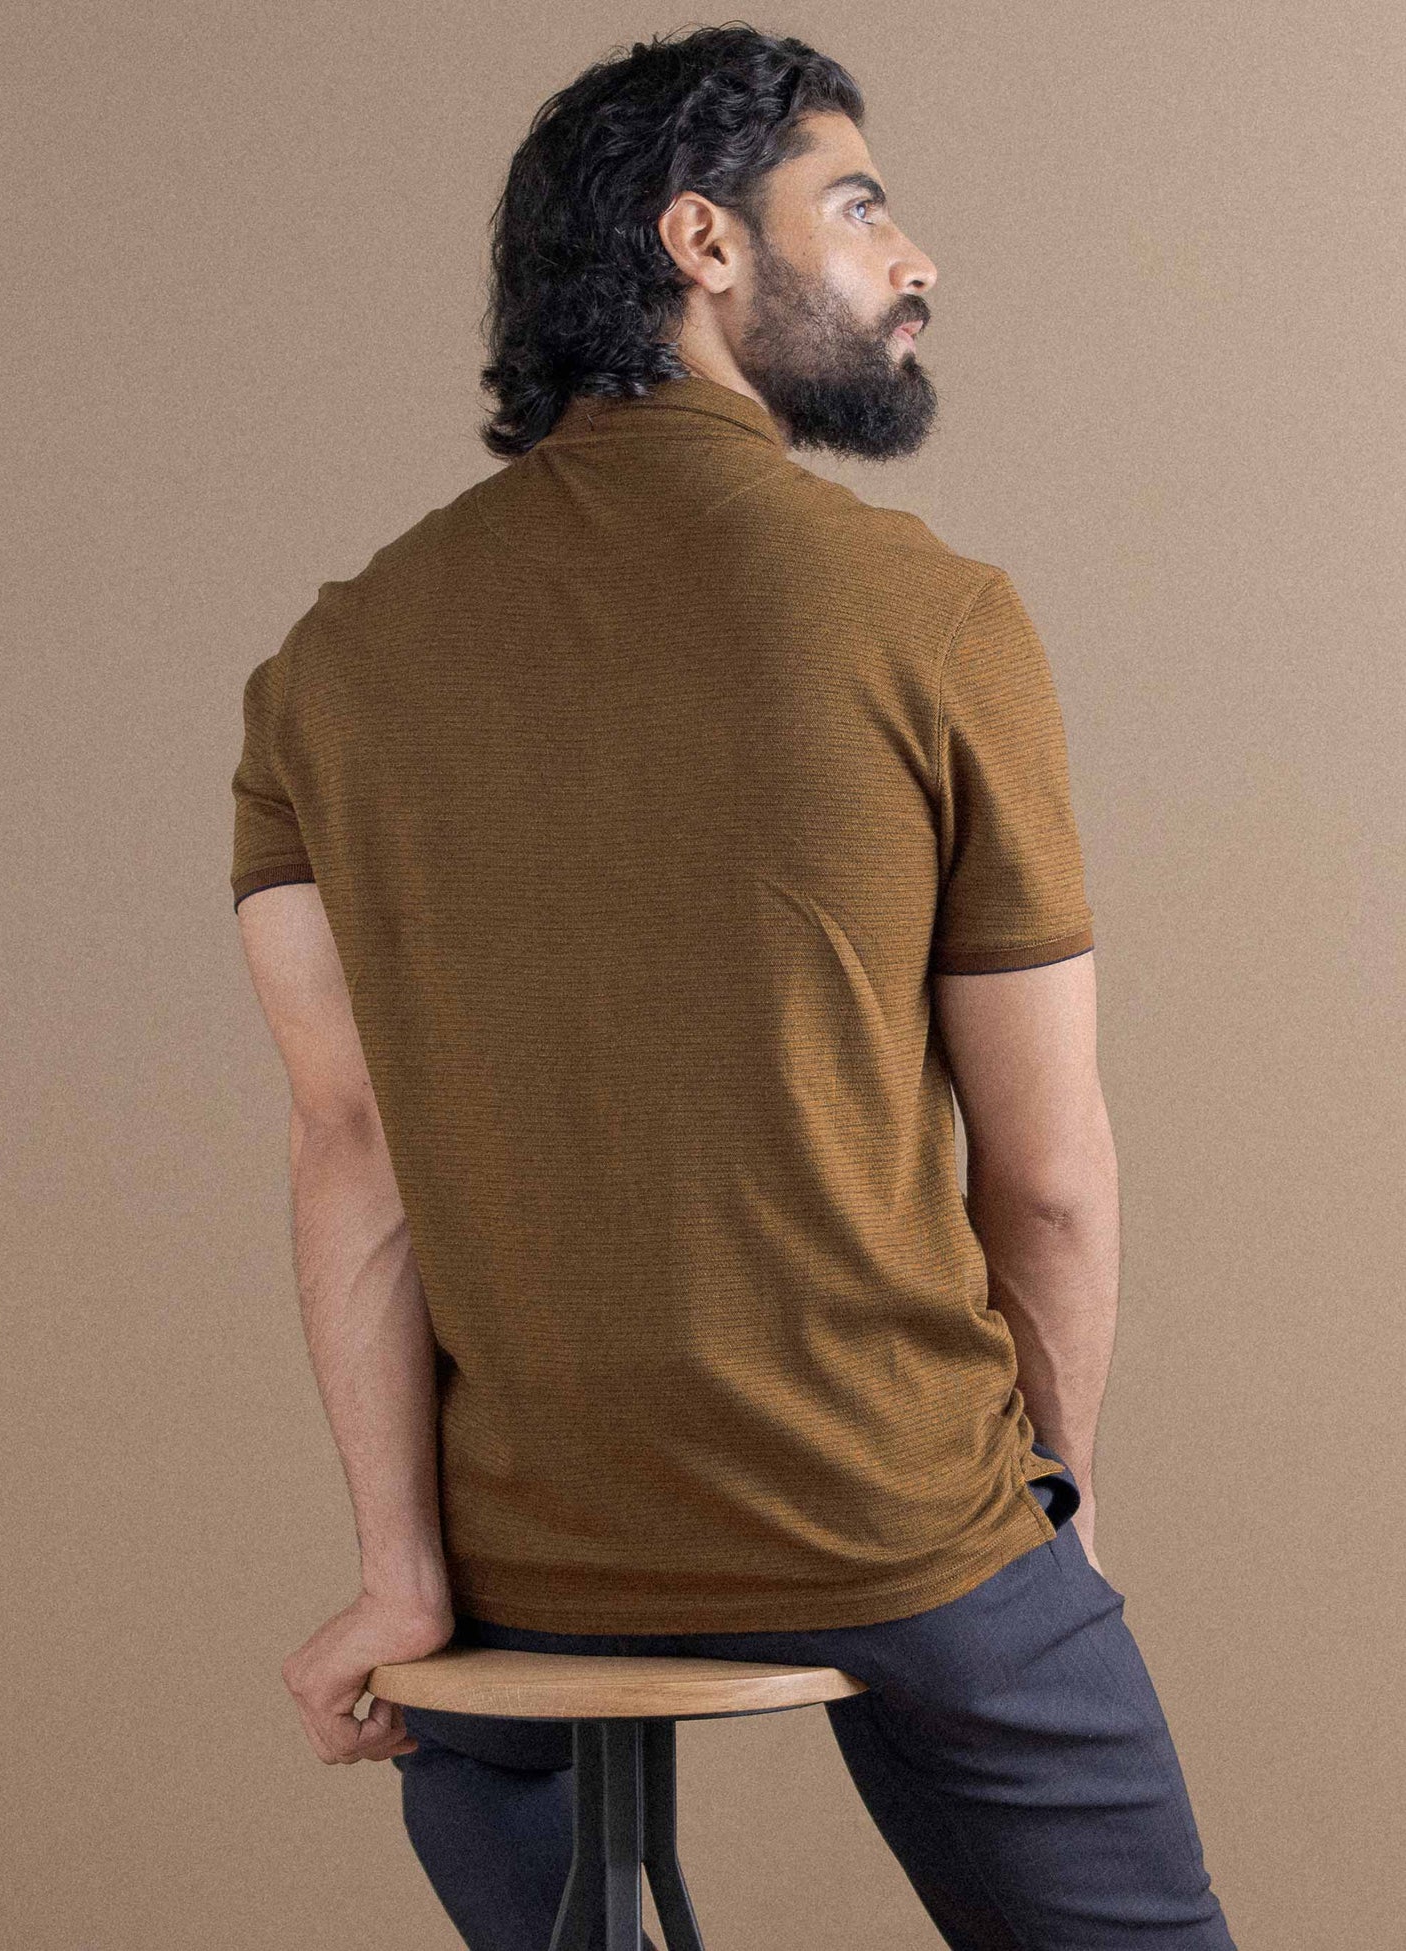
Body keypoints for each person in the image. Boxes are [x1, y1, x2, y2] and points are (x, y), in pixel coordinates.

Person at [228, 24, 1236, 1950]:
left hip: (525, 1563)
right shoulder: (928, 618)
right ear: (701, 242)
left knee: (514, 1826)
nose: (913, 260)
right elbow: (1042, 1177)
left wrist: (403, 1576)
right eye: (856, 208)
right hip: (893, 1517)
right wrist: (1050, 1509)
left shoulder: (327, 666)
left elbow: (350, 1149)